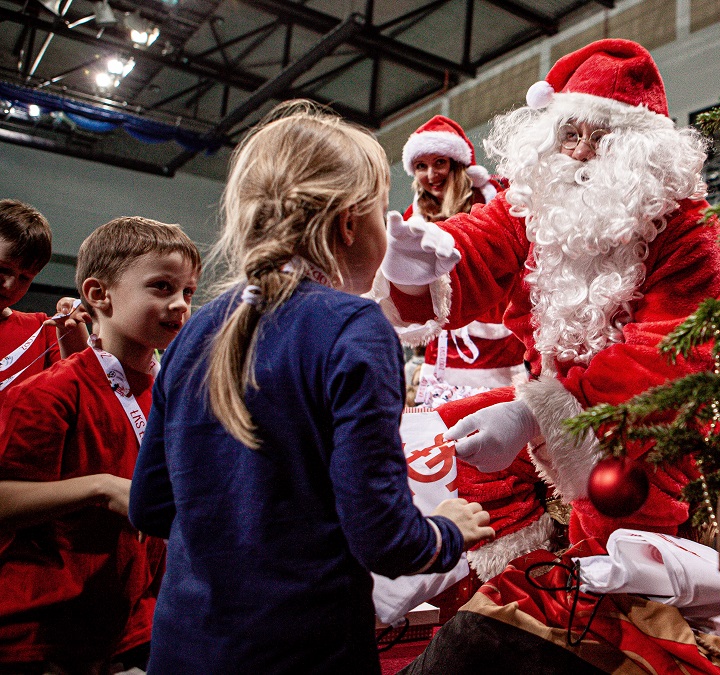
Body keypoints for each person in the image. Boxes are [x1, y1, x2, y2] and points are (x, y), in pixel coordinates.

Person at [127, 101, 493, 674]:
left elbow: (149, 506)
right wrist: (449, 530)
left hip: (183, 646)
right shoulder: (354, 328)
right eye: (379, 214)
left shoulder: (197, 328)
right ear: (349, 222)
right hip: (302, 650)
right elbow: (385, 539)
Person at [379, 39, 720, 577]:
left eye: (604, 136)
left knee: (619, 527)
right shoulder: (540, 201)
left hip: (648, 425)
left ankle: (606, 606)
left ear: (645, 151)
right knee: (433, 446)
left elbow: (664, 363)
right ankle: (516, 578)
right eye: (571, 134)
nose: (583, 152)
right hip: (551, 398)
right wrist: (418, 267)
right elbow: (480, 245)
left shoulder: (690, 231)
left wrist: (531, 415)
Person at [0, 216, 200, 672]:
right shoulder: (47, 393)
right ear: (98, 295)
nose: (180, 305)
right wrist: (102, 487)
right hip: (45, 635)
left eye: (188, 291)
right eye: (162, 287)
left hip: (136, 622)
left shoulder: (182, 392)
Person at [373, 115, 525, 408]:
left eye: (439, 162)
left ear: (456, 164)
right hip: (441, 352)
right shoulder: (411, 218)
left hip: (496, 347)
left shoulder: (492, 199)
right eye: (421, 166)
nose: (431, 174)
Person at [0, 200, 89, 398]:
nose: (10, 285)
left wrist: (72, 330)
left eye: (25, 277)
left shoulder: (42, 330)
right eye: (3, 269)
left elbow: (85, 388)